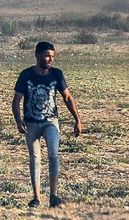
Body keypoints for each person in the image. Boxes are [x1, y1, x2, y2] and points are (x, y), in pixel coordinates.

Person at [12, 40, 81, 208]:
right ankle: (36, 197)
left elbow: (67, 97)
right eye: (47, 56)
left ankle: (53, 195)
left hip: (50, 121)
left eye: (52, 56)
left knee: (53, 154)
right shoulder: (26, 75)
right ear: (37, 55)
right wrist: (18, 121)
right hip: (31, 123)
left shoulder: (56, 74)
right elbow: (16, 100)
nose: (50, 59)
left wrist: (77, 119)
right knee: (35, 159)